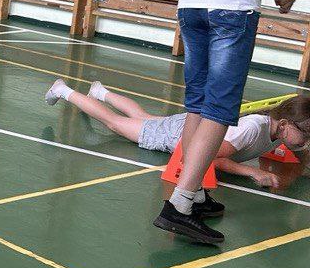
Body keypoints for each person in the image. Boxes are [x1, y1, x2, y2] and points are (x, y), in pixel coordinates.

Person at [158, 0, 310, 245]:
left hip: (192, 5)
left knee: (198, 103)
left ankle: (195, 192)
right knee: (220, 108)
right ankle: (180, 205)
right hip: (231, 13)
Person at [45, 80, 309, 190]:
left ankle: (100, 92)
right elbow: (210, 157)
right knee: (114, 123)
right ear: (285, 124)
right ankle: (62, 90)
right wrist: (252, 172)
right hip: (180, 136)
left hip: (190, 126)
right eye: (306, 133)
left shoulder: (274, 130)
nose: (307, 140)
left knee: (143, 117)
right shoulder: (252, 129)